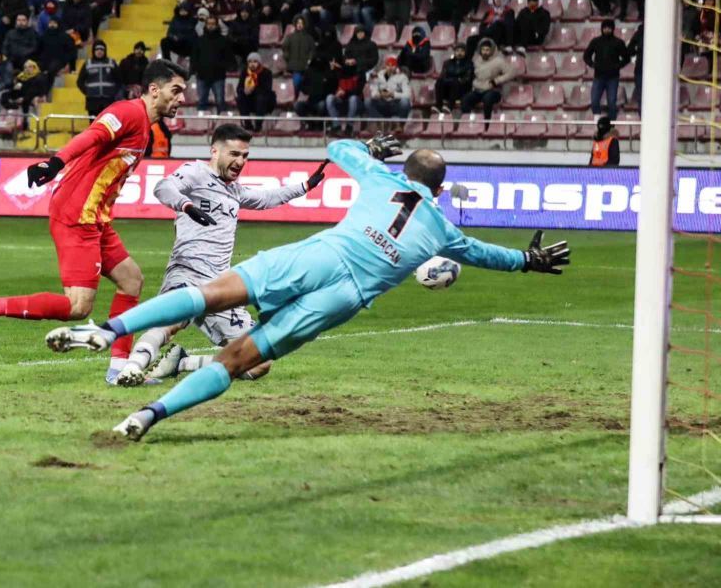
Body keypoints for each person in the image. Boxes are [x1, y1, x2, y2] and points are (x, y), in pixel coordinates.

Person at [46, 136, 569, 441]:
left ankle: (107, 330)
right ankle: (147, 416)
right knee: (240, 360)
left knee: (211, 293)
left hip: (319, 256)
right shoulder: (445, 232)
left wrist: (368, 149)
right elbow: (486, 253)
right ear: (440, 187)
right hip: (344, 297)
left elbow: (338, 148)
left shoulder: (381, 178)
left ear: (405, 171)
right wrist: (528, 260)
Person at [0, 60, 190, 388]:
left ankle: (119, 369)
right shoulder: (128, 112)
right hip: (77, 214)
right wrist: (54, 162)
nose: (181, 98)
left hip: (95, 217)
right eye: (176, 90)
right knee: (78, 306)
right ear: (154, 90)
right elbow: (92, 135)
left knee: (131, 281)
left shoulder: (146, 125)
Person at [115, 124, 327, 386]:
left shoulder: (234, 191)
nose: (240, 161)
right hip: (188, 270)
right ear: (215, 151)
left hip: (221, 286)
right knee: (172, 321)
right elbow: (163, 187)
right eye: (234, 154)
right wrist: (186, 205)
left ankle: (182, 363)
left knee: (259, 361)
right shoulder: (195, 172)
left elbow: (266, 198)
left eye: (245, 156)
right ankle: (131, 369)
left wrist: (305, 186)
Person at [583, 19, 630, 122]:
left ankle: (612, 123)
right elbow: (586, 56)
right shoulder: (595, 41)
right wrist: (592, 64)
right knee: (594, 100)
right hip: (598, 76)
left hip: (613, 77)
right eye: (605, 27)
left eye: (609, 28)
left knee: (612, 102)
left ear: (613, 29)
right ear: (602, 28)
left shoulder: (618, 42)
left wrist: (617, 66)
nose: (607, 30)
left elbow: (627, 58)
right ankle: (597, 120)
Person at [461, 37, 515, 122]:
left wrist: (497, 81)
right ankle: (470, 123)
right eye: (483, 50)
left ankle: (487, 124)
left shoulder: (499, 61)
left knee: (487, 100)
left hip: (493, 90)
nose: (485, 52)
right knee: (465, 100)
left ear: (491, 50)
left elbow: (511, 73)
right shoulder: (476, 60)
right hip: (477, 90)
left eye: (487, 50)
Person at [190, 15, 234, 112]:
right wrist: (194, 69)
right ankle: (201, 121)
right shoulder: (199, 40)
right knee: (201, 102)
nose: (210, 26)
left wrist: (224, 66)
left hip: (218, 76)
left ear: (217, 25)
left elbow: (229, 57)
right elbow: (194, 57)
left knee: (220, 102)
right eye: (209, 24)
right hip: (202, 76)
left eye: (213, 24)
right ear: (205, 25)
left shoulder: (223, 40)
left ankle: (221, 121)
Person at [77, 39, 122, 117]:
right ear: (93, 51)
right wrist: (88, 91)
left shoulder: (111, 63)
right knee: (94, 123)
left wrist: (113, 92)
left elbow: (119, 80)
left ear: (105, 51)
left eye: (101, 49)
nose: (99, 51)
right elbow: (80, 81)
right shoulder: (88, 64)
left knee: (108, 123)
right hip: (92, 102)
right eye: (97, 49)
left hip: (108, 101)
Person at [1, 58, 48, 127]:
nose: (27, 69)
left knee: (28, 100)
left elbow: (37, 91)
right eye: (25, 67)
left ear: (34, 67)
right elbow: (16, 88)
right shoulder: (21, 76)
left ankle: (25, 123)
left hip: (33, 96)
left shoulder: (39, 77)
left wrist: (24, 98)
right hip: (22, 94)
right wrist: (15, 87)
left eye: (29, 67)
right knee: (4, 95)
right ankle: (13, 108)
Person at [236, 52, 275, 132]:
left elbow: (267, 89)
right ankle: (247, 124)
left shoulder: (267, 73)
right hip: (249, 99)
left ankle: (258, 125)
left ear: (259, 63)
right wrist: (244, 91)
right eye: (250, 62)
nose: (252, 64)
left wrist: (252, 89)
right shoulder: (245, 72)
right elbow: (239, 88)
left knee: (261, 98)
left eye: (255, 61)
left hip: (263, 100)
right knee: (240, 98)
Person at [365, 56, 411, 121]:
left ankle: (400, 123)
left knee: (405, 102)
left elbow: (407, 94)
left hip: (395, 103)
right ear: (385, 66)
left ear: (396, 67)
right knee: (367, 102)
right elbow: (373, 93)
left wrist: (393, 94)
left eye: (393, 65)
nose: (390, 67)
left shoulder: (402, 77)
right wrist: (379, 94)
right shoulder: (378, 76)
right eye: (388, 65)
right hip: (382, 102)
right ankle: (379, 121)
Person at [326, 55, 364, 132]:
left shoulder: (360, 74)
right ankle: (336, 125)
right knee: (329, 98)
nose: (349, 66)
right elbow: (329, 87)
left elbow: (358, 91)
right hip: (341, 101)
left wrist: (345, 92)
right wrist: (332, 70)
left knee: (353, 98)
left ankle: (349, 126)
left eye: (352, 64)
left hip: (356, 103)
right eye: (347, 63)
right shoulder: (339, 73)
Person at [296, 53, 336, 123]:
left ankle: (318, 123)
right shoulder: (309, 71)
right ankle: (309, 122)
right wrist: (309, 91)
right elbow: (301, 86)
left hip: (322, 100)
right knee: (298, 105)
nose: (318, 61)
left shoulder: (328, 72)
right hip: (310, 100)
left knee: (322, 105)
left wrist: (331, 71)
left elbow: (332, 87)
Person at [282, 14, 315, 92]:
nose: (300, 25)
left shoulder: (309, 38)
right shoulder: (289, 37)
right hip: (294, 66)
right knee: (296, 82)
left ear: (304, 25)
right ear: (295, 24)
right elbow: (285, 47)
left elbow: (312, 50)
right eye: (298, 23)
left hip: (306, 65)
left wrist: (310, 59)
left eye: (301, 23)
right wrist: (287, 56)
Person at [435, 42, 473, 110]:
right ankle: (438, 106)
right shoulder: (447, 63)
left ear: (465, 52)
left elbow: (467, 79)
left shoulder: (469, 63)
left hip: (461, 90)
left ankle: (449, 107)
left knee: (455, 82)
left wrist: (456, 80)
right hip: (448, 88)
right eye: (457, 51)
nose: (459, 53)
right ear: (454, 52)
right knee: (439, 81)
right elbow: (443, 75)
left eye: (462, 51)